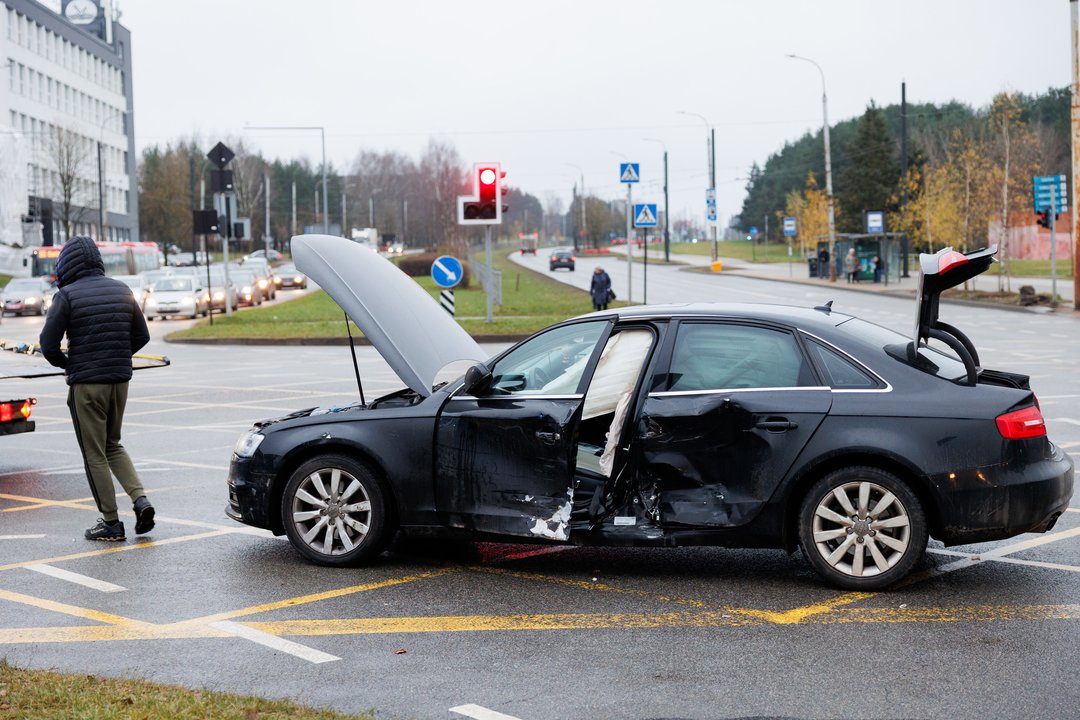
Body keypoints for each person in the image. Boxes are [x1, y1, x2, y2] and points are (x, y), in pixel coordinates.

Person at [39, 236, 155, 542]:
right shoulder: (122, 289)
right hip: (120, 381)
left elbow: (47, 345)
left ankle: (111, 522)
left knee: (94, 454)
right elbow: (142, 336)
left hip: (87, 385)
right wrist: (115, 355)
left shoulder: (67, 295)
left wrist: (69, 363)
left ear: (67, 264)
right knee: (113, 444)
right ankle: (140, 499)